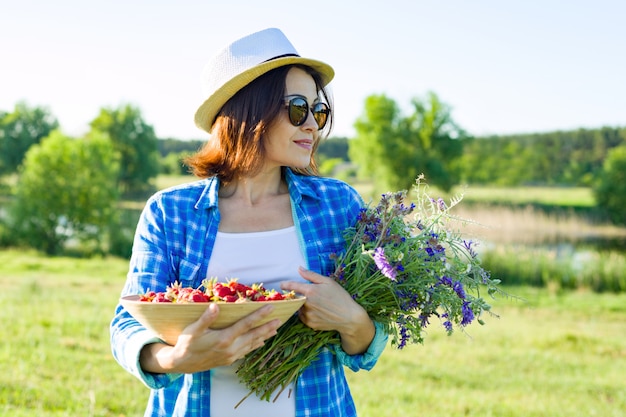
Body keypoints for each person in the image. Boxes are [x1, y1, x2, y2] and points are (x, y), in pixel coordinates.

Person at [110, 27, 388, 417]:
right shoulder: (169, 213)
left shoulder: (338, 204)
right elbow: (127, 324)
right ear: (250, 111)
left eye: (318, 110)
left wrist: (353, 319)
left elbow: (366, 347)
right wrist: (174, 360)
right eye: (297, 109)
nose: (313, 124)